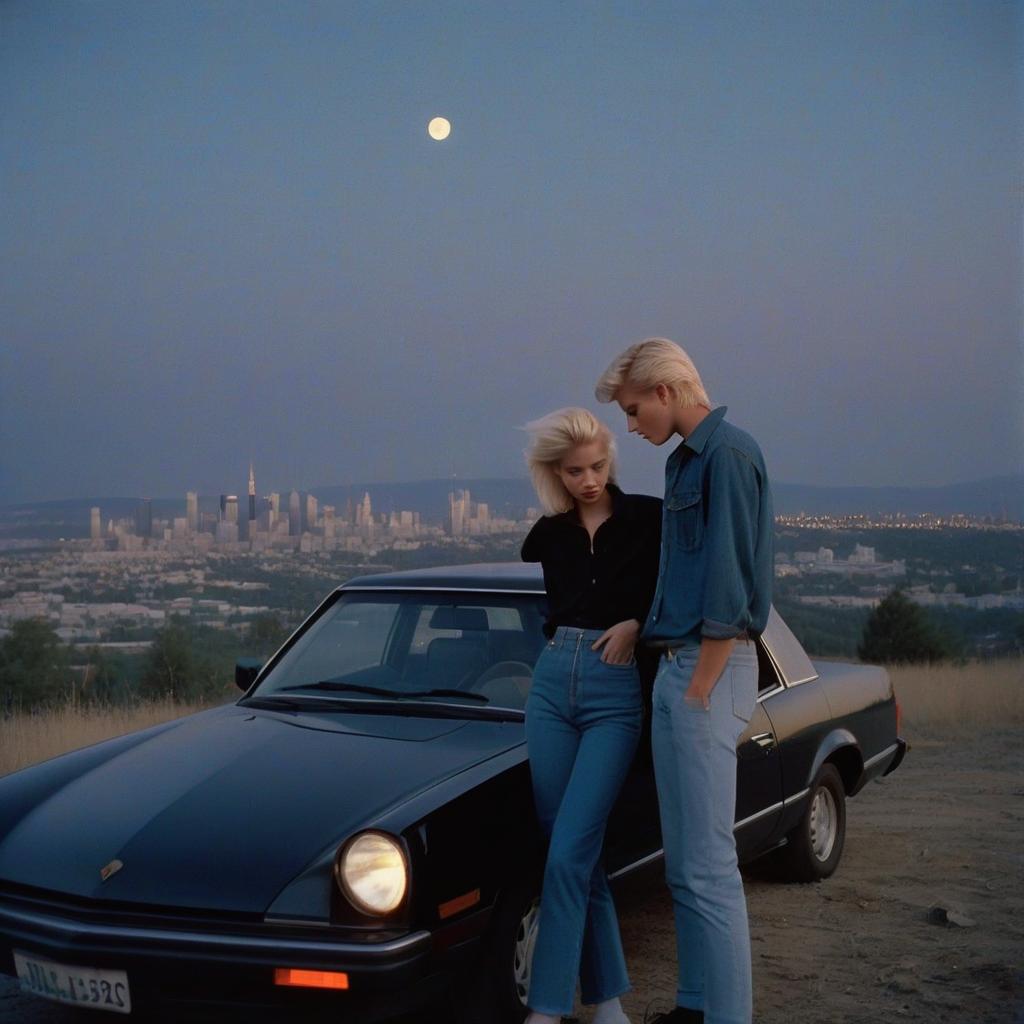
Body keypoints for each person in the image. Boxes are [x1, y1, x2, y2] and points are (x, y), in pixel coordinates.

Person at [595, 339, 773, 1024]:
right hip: (677, 670)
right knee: (683, 868)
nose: (632, 426)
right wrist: (647, 627)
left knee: (710, 870)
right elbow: (683, 575)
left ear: (665, 391)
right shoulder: (682, 464)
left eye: (636, 410)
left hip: (708, 671)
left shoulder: (726, 456)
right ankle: (695, 1005)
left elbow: (729, 584)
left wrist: (698, 686)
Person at [520, 407, 662, 1024]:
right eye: (574, 470)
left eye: (598, 465)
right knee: (575, 850)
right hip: (551, 685)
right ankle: (608, 1006)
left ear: (611, 459)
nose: (589, 479)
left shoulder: (648, 521)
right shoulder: (548, 534)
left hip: (613, 695)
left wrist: (639, 624)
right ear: (556, 471)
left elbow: (679, 592)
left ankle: (546, 1009)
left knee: (567, 855)